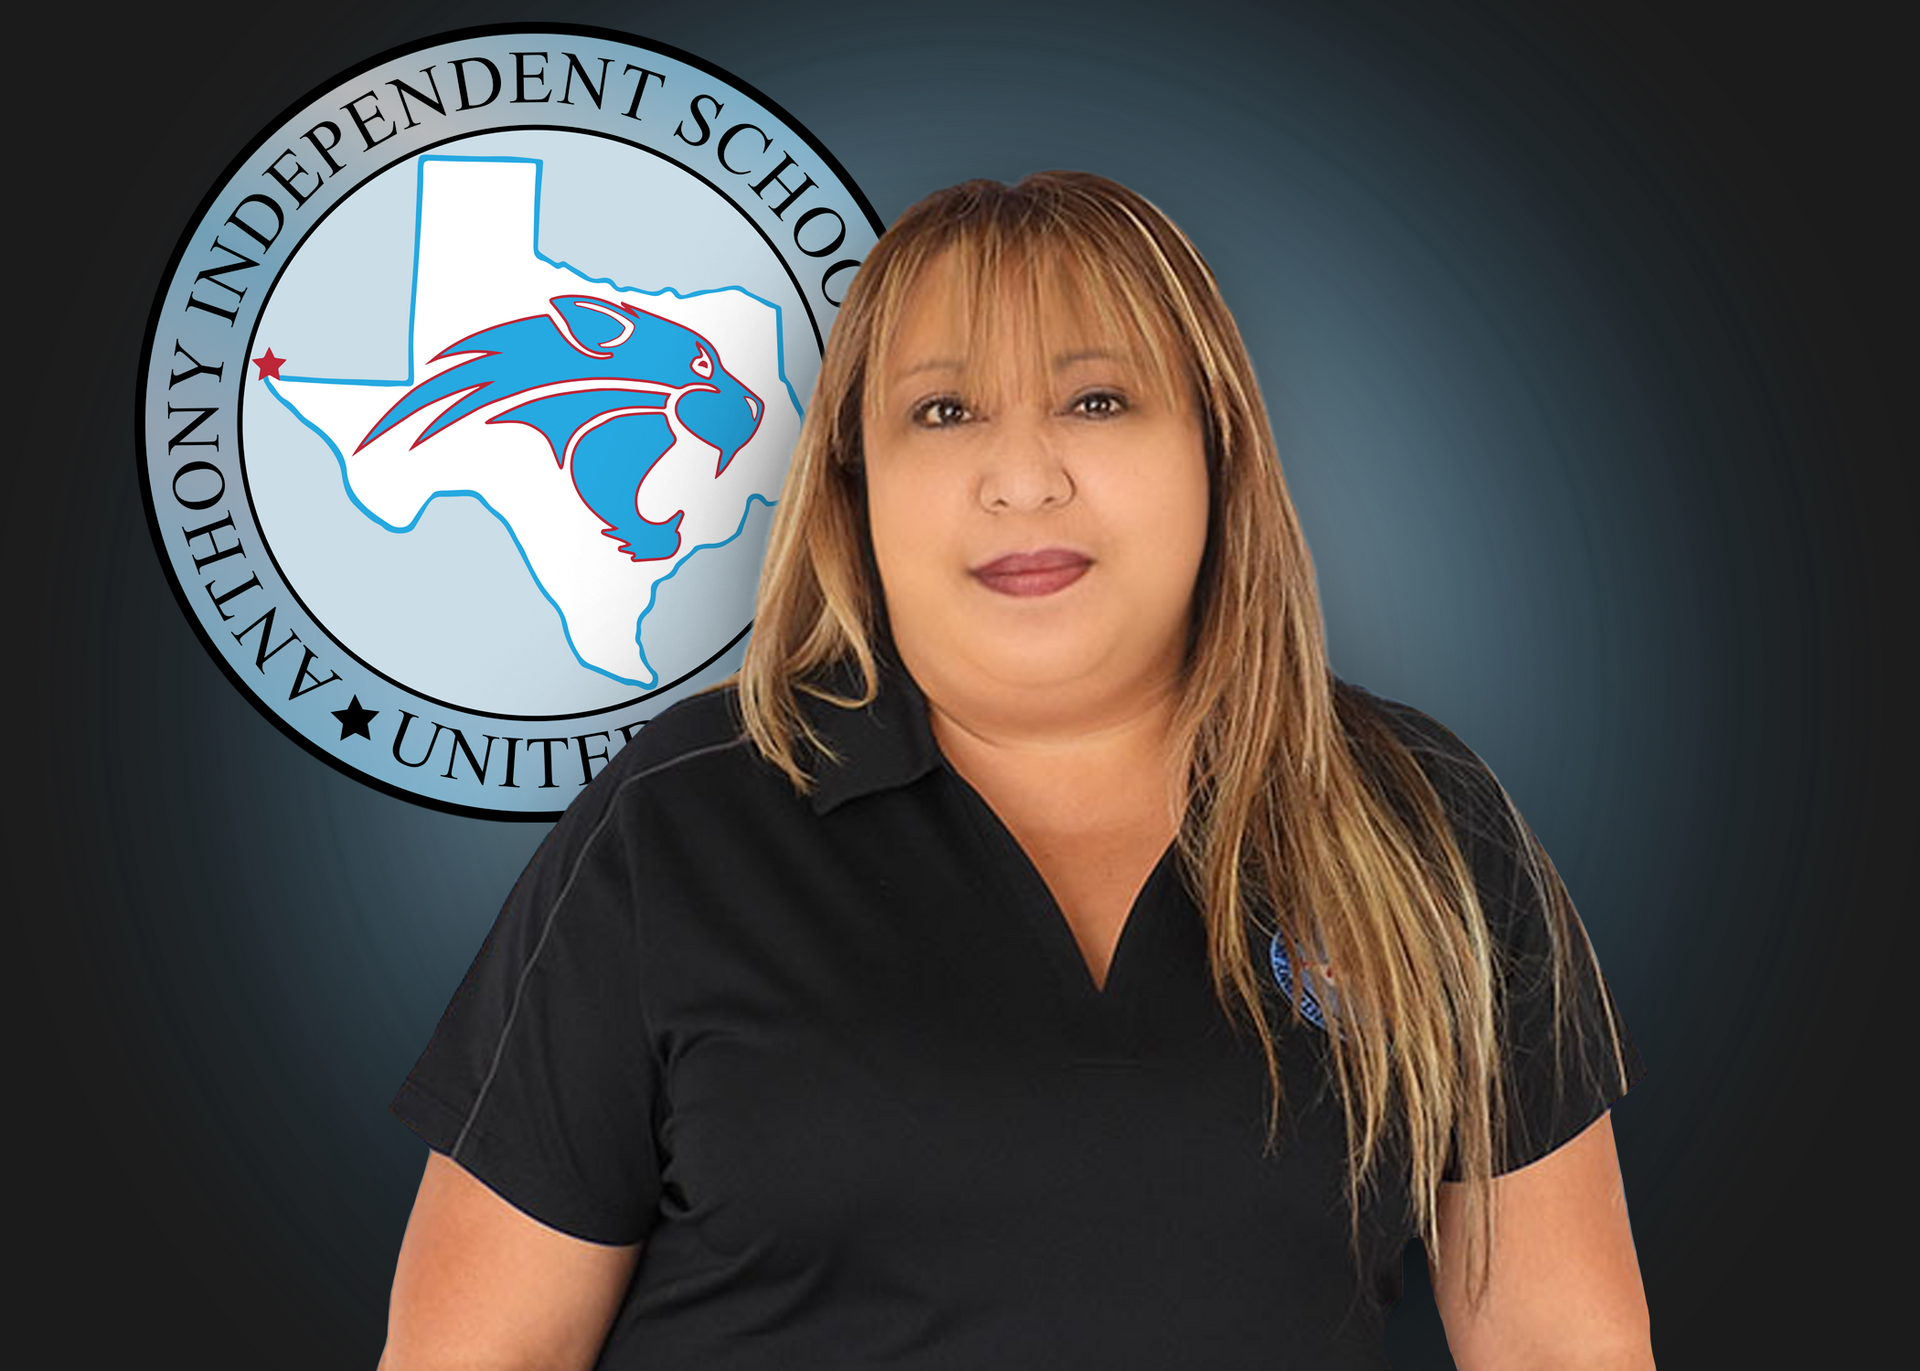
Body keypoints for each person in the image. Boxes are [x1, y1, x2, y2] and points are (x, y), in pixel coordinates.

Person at [381, 171, 1650, 1370]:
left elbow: (1563, 1348)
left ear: (1216, 446)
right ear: (855, 482)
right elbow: (478, 1351)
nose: (1023, 476)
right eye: (944, 412)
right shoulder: (683, 820)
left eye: (1097, 401)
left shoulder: (1419, 818)